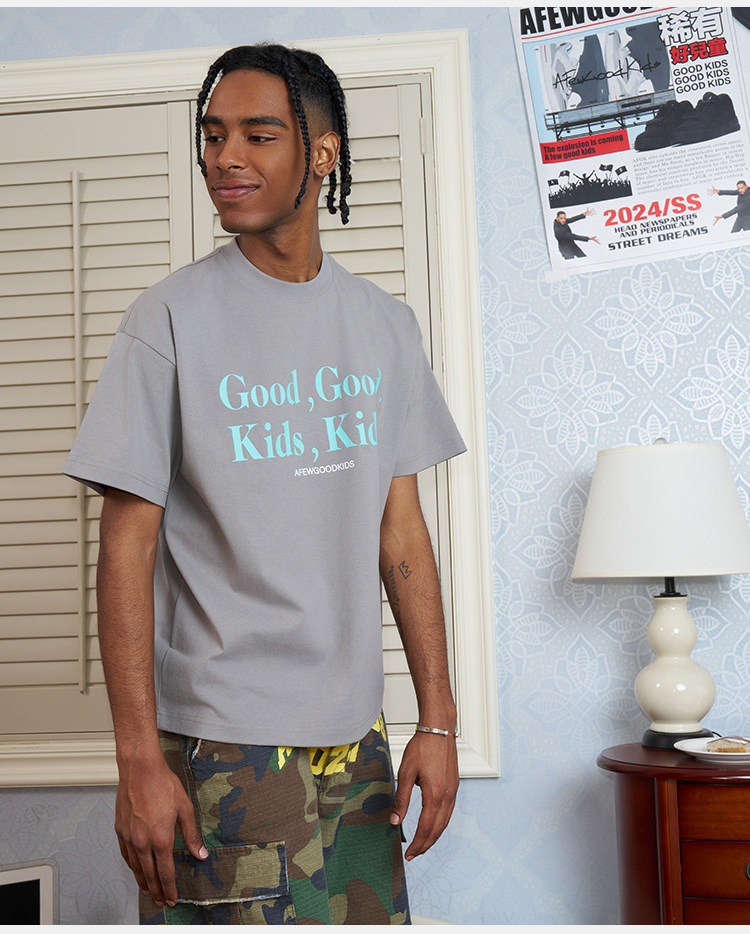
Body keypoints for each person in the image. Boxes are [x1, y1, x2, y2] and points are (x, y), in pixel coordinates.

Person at [64, 44, 466, 925]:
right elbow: (126, 547)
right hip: (221, 744)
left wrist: (437, 720)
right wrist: (138, 757)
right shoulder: (167, 319)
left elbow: (401, 534)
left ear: (321, 153)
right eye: (213, 136)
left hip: (357, 740)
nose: (226, 158)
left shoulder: (385, 326)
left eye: (258, 134)